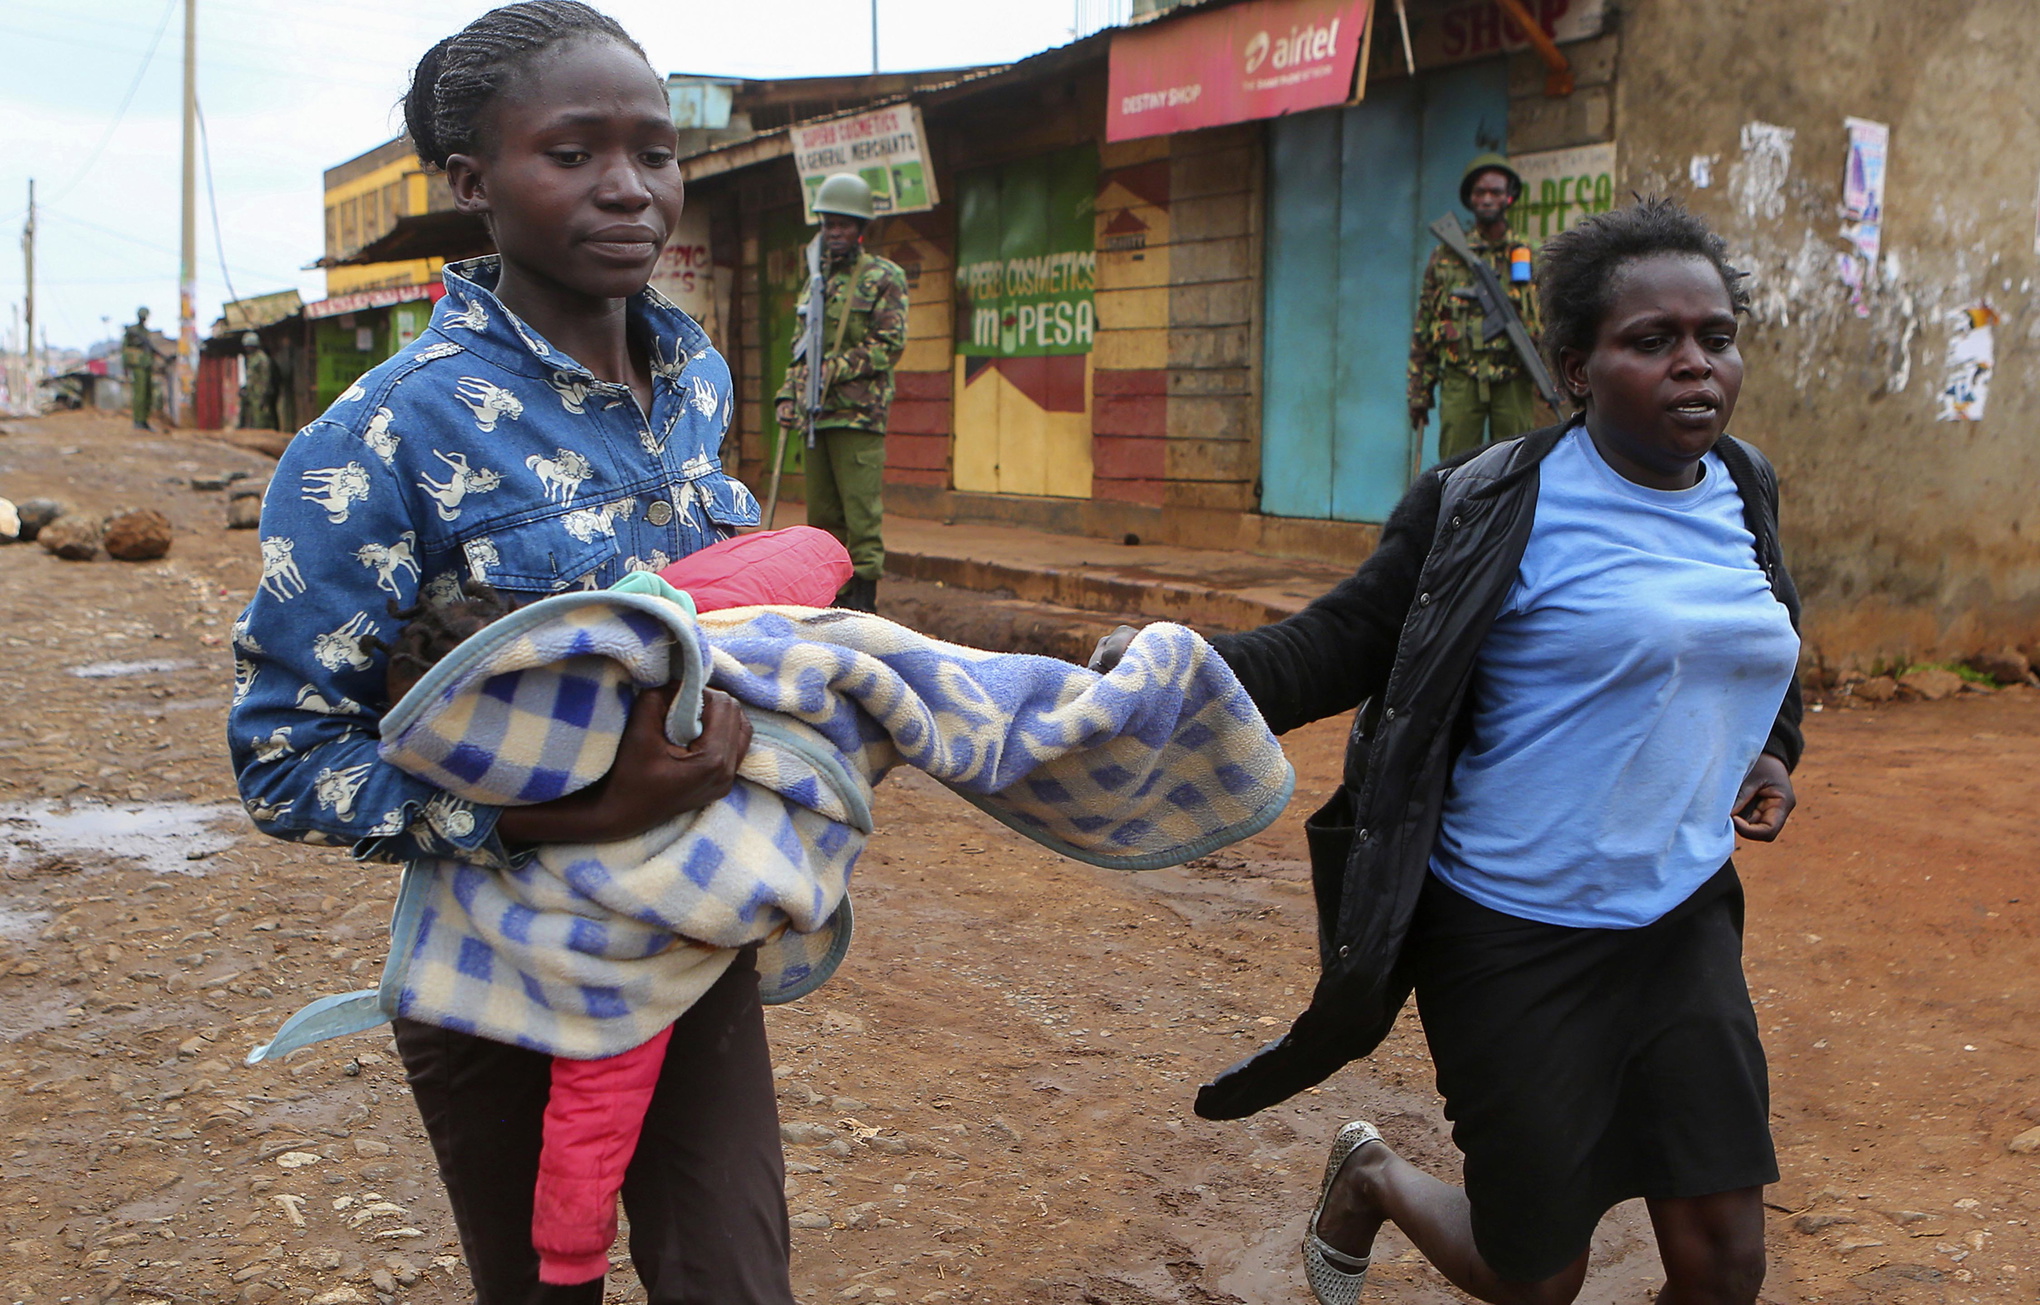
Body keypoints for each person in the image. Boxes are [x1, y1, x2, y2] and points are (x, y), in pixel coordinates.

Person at [1097, 197, 1803, 1305]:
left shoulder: (1745, 487)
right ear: (1576, 367)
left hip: (1679, 922)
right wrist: (1178, 670)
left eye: (1715, 337)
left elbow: (1756, 636)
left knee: (1724, 1267)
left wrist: (1770, 751)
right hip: (1510, 931)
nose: (1694, 366)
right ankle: (1372, 1174)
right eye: (1651, 341)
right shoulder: (1486, 506)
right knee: (1532, 1276)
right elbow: (1338, 645)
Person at [227, 4, 791, 1300]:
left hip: (688, 939)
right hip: (496, 974)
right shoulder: (383, 437)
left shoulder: (692, 384)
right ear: (472, 181)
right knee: (547, 1287)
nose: (630, 188)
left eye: (654, 151)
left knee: (738, 1281)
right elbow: (284, 757)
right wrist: (576, 810)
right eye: (575, 152)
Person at [772, 172, 909, 614]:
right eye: (828, 224)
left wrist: (834, 368)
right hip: (817, 416)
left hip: (858, 415)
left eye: (843, 225)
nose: (834, 233)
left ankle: (866, 608)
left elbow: (888, 345)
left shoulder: (883, 277)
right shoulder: (816, 282)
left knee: (861, 519)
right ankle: (833, 606)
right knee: (824, 522)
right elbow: (800, 350)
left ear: (861, 228)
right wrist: (788, 396)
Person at [1409, 154, 1546, 461]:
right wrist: (1419, 390)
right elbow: (1425, 324)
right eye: (1480, 192)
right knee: (1454, 469)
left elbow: (1549, 319)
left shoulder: (1529, 254)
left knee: (1516, 467)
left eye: (1496, 192)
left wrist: (1551, 376)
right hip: (1461, 378)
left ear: (1509, 197)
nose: (1487, 199)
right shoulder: (1445, 256)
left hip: (1513, 379)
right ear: (1469, 199)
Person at [122, 307, 158, 431]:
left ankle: (144, 420)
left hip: (147, 364)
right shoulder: (132, 331)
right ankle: (138, 420)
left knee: (148, 394)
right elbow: (125, 349)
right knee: (140, 394)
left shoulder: (146, 332)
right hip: (138, 366)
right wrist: (126, 366)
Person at [239, 331, 277, 430]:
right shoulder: (251, 358)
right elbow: (250, 376)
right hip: (252, 393)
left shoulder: (262, 359)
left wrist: (264, 394)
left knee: (262, 417)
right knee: (253, 417)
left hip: (260, 393)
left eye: (249, 346)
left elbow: (266, 378)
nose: (247, 348)